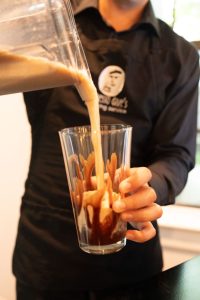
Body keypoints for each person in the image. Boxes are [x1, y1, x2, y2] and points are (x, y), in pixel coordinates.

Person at [13, 0, 199, 299]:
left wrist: (148, 186)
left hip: (132, 261)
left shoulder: (179, 56)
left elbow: (176, 154)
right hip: (46, 256)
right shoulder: (51, 30)